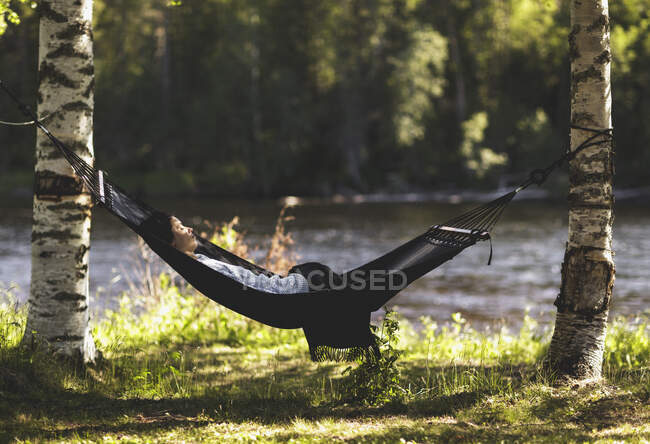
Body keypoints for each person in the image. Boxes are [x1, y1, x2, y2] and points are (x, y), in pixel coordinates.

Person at [152, 215, 310, 294]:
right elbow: (255, 291)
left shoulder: (201, 259)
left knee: (314, 273)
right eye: (180, 228)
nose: (190, 229)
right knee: (316, 275)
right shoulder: (206, 269)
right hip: (285, 293)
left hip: (280, 286)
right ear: (172, 243)